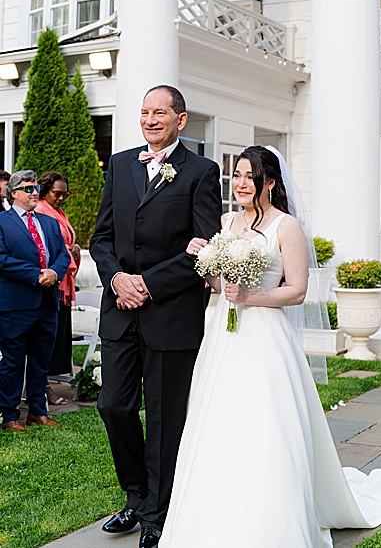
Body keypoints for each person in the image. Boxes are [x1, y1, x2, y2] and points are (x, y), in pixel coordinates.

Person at [161, 146, 381, 546]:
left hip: (265, 336)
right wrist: (205, 262)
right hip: (223, 333)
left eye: (249, 177)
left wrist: (251, 298)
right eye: (236, 175)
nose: (240, 183)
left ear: (270, 182)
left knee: (265, 420)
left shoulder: (285, 226)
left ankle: (271, 516)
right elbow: (219, 287)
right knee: (215, 418)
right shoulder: (225, 222)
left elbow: (297, 290)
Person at [89, 85, 221, 548]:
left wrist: (149, 284)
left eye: (159, 112)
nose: (149, 119)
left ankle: (156, 515)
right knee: (114, 406)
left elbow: (206, 248)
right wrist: (117, 279)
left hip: (170, 314)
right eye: (144, 112)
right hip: (120, 311)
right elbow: (100, 237)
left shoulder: (202, 172)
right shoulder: (121, 165)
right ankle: (135, 495)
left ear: (180, 120)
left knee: (166, 420)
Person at [0, 170, 71, 431]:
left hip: (46, 303)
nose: (35, 193)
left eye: (35, 188)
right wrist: (36, 274)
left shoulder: (49, 223)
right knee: (13, 361)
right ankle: (9, 416)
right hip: (16, 305)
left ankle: (37, 412)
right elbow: (1, 259)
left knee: (41, 362)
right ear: (14, 193)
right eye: (28, 188)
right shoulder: (2, 221)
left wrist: (54, 272)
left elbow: (63, 255)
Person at [36, 171, 80, 405]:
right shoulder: (42, 209)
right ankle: (42, 387)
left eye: (66, 194)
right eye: (58, 193)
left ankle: (45, 384)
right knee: (46, 340)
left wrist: (75, 248)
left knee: (55, 339)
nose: (62, 198)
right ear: (45, 191)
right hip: (51, 283)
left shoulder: (58, 212)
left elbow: (68, 241)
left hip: (63, 282)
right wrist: (69, 251)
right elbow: (47, 245)